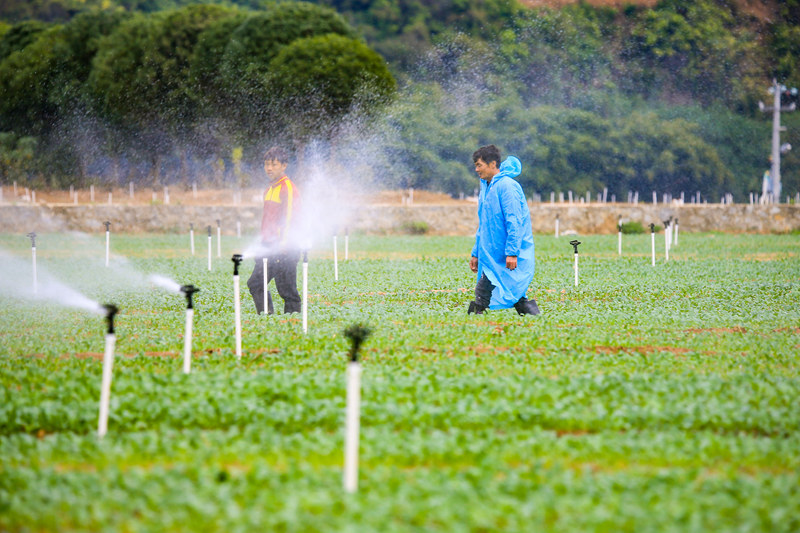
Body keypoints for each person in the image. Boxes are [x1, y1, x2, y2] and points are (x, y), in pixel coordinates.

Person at [468, 145, 539, 316]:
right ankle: (532, 315)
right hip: (491, 252)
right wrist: (476, 253)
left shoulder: (507, 186)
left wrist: (512, 252)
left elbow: (514, 222)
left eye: (479, 165)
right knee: (513, 293)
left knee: (484, 290)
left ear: (493, 164)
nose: (477, 170)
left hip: (505, 252)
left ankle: (473, 321)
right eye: (475, 166)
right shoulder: (487, 186)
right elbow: (483, 224)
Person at [247, 146, 302, 314]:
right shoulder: (270, 189)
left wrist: (284, 244)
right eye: (266, 164)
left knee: (287, 290)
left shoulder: (288, 188)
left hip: (285, 247)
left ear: (284, 166)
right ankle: (267, 317)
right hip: (268, 246)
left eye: (274, 164)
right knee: (256, 283)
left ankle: (292, 324)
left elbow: (290, 218)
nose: (269, 168)